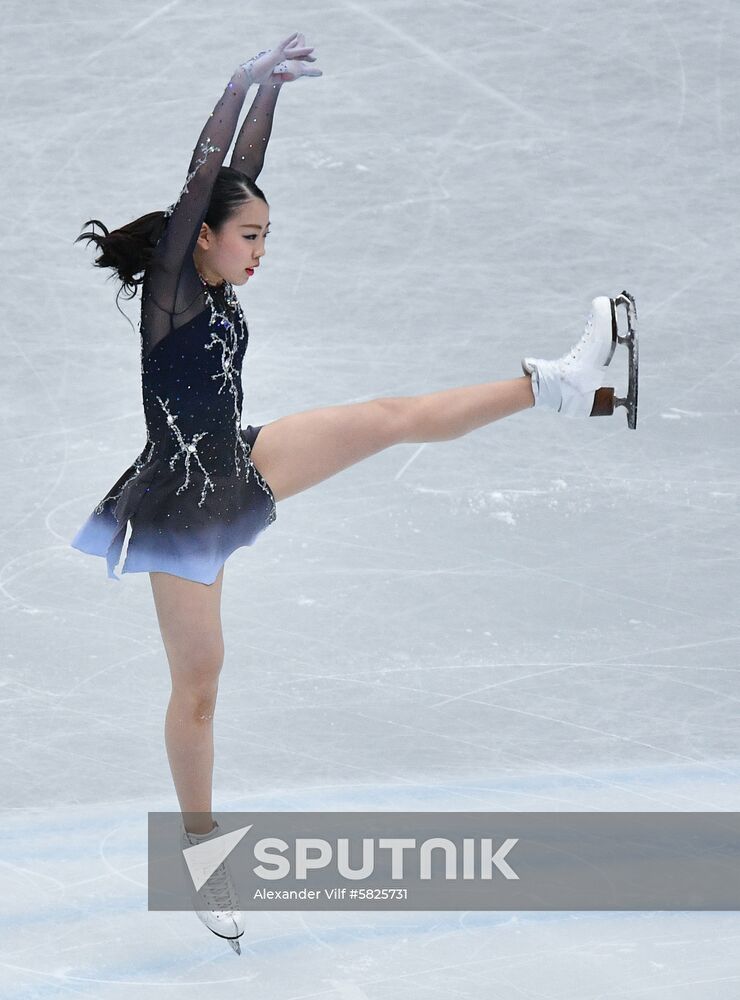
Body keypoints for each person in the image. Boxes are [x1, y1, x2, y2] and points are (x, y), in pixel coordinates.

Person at [70, 33, 637, 953]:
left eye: (266, 237)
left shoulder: (214, 264)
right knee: (201, 689)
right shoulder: (174, 286)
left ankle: (566, 384)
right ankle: (203, 852)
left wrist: (268, 97)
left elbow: (237, 173)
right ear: (202, 239)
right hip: (179, 504)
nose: (260, 253)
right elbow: (207, 176)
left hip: (236, 461)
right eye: (248, 237)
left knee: (387, 416)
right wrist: (234, 87)